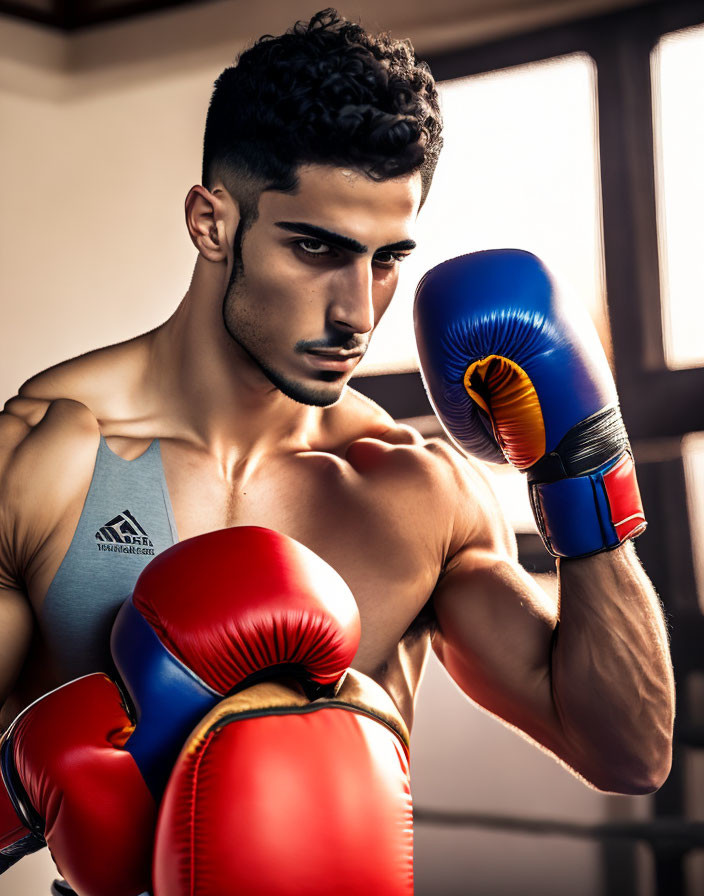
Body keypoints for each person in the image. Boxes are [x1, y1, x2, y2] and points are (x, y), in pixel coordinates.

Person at [0, 6, 674, 892]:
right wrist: (19, 793)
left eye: (387, 258)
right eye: (317, 248)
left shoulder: (412, 492)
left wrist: (583, 473)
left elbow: (628, 750)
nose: (358, 311)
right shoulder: (49, 464)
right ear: (211, 224)